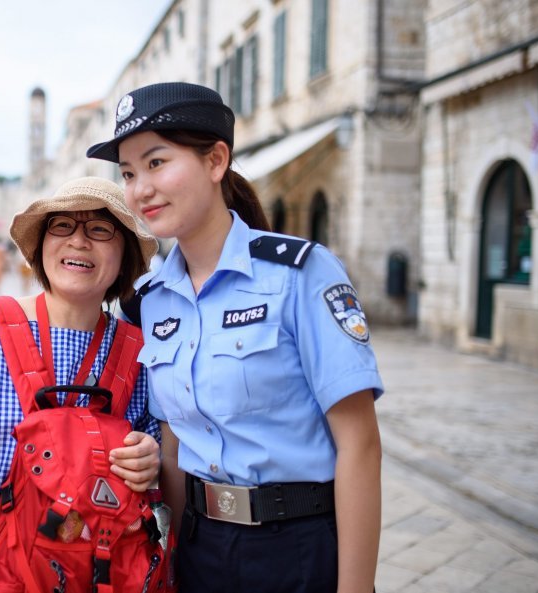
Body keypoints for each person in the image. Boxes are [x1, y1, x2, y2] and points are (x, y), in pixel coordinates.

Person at [87, 81, 384, 593]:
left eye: (156, 163)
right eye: (130, 173)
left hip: (299, 546)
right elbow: (176, 444)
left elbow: (359, 444)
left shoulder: (300, 273)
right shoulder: (150, 299)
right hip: (201, 548)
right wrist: (176, 560)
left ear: (216, 160)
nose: (140, 189)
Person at [0, 177, 162, 592]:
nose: (78, 241)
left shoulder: (137, 352)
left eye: (99, 230)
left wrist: (150, 459)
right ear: (41, 245)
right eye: (62, 226)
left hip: (74, 571)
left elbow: (152, 446)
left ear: (124, 254)